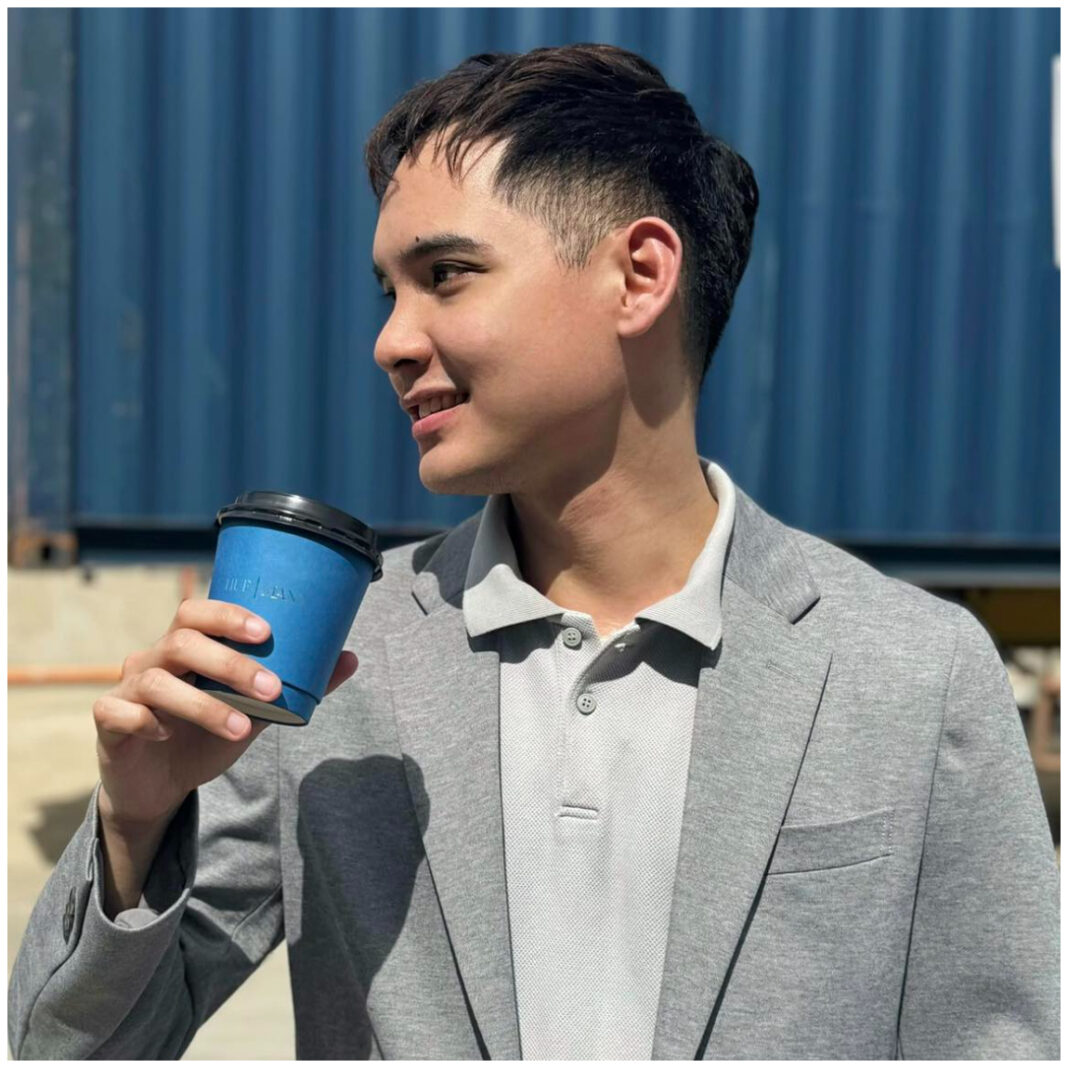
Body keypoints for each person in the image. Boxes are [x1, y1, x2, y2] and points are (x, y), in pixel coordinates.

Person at [8, 43, 1058, 1060]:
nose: (391, 341)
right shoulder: (337, 666)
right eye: (389, 292)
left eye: (447, 274)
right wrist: (134, 826)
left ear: (639, 275)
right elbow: (60, 1049)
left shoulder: (912, 672)